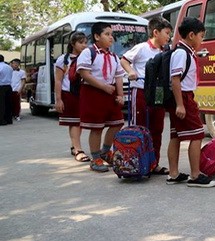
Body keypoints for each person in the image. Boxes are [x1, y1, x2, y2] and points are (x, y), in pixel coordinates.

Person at [165, 17, 215, 187]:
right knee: (197, 135)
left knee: (176, 135)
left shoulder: (184, 52)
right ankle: (195, 175)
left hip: (181, 97)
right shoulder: (182, 53)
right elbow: (175, 80)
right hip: (183, 98)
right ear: (192, 35)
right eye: (201, 36)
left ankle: (173, 174)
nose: (202, 40)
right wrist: (180, 104)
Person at [121, 17, 172, 175]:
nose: (168, 37)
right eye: (167, 33)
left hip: (158, 92)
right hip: (141, 91)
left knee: (157, 128)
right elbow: (124, 60)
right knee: (140, 128)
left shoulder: (165, 51)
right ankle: (136, 163)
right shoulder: (142, 48)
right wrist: (131, 72)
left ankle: (153, 163)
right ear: (155, 32)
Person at [77, 22, 125, 172]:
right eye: (107, 34)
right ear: (97, 36)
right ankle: (95, 157)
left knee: (117, 122)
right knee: (96, 127)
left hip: (110, 94)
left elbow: (118, 76)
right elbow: (84, 74)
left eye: (112, 35)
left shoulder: (114, 56)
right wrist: (103, 86)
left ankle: (105, 151)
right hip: (93, 93)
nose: (111, 38)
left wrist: (121, 95)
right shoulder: (88, 53)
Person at [54, 32, 90, 162]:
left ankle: (74, 145)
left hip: (83, 93)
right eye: (81, 42)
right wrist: (58, 99)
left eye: (85, 42)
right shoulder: (63, 60)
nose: (84, 45)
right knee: (74, 122)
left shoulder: (86, 57)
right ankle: (78, 150)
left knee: (80, 122)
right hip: (69, 94)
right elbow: (58, 80)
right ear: (72, 44)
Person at [0, 55, 13, 126]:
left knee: (1, 104)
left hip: (1, 86)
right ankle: (9, 119)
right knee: (8, 103)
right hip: (8, 86)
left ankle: (1, 120)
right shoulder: (9, 67)